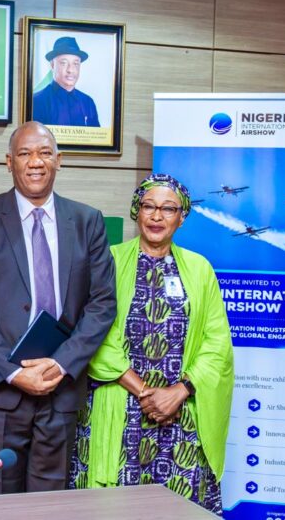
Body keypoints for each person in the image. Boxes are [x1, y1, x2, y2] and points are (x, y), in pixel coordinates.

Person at [0, 121, 116, 494]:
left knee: (51, 501)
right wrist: (14, 372)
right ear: (8, 161)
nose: (35, 162)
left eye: (45, 153)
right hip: (0, 389)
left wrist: (61, 364)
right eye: (25, 153)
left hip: (61, 387)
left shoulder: (87, 221)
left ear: (59, 160)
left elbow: (102, 303)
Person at [68, 174, 233, 515]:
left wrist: (179, 392)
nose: (157, 216)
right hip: (120, 409)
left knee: (180, 509)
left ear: (181, 217)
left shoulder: (200, 269)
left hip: (179, 416)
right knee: (113, 509)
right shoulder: (107, 261)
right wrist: (147, 394)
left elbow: (217, 343)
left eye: (168, 209)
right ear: (136, 211)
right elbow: (93, 334)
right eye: (149, 206)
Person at [31, 36, 100, 127]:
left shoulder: (88, 103)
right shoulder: (37, 101)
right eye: (63, 63)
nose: (70, 70)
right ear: (52, 65)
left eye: (75, 64)